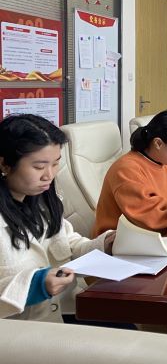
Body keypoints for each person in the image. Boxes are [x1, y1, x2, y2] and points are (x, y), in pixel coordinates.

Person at [0, 114, 114, 321]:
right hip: (20, 329)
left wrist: (105, 244)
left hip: (65, 309)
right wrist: (36, 285)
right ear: (5, 164)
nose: (49, 175)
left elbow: (67, 245)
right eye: (39, 167)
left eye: (55, 164)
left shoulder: (42, 202)